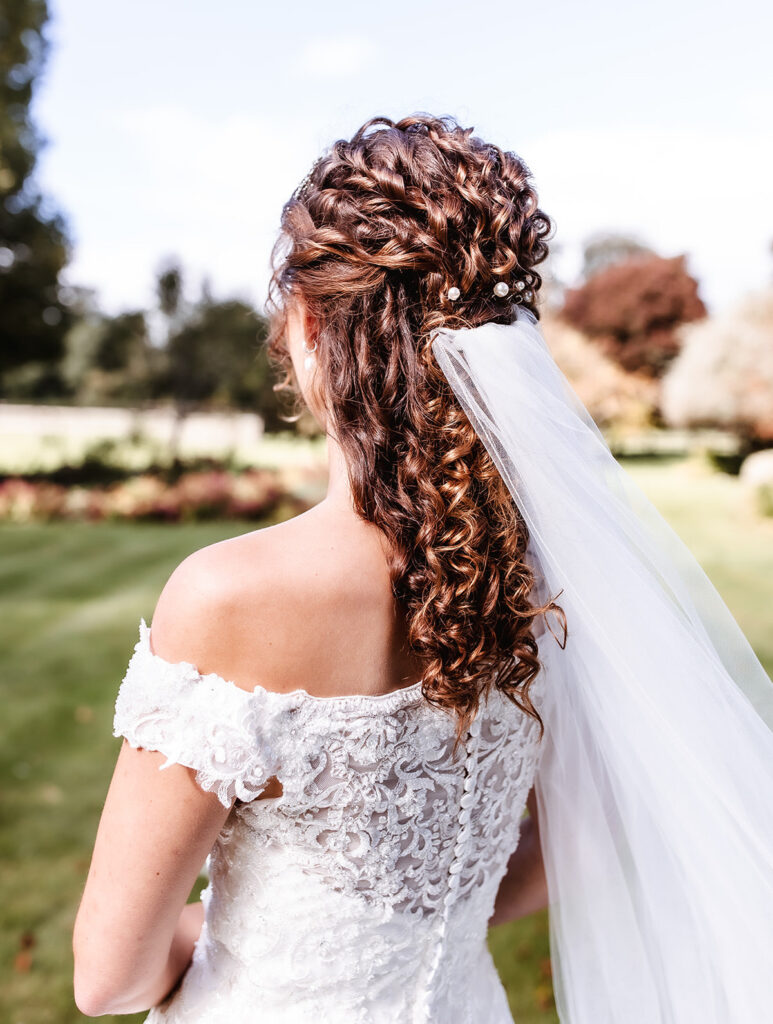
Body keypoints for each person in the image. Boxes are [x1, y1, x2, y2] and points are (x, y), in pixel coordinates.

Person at [72, 114, 773, 1024]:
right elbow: (590, 837)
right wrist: (436, 914)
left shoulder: (229, 597)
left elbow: (107, 978)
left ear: (311, 323)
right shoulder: (546, 585)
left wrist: (260, 933)